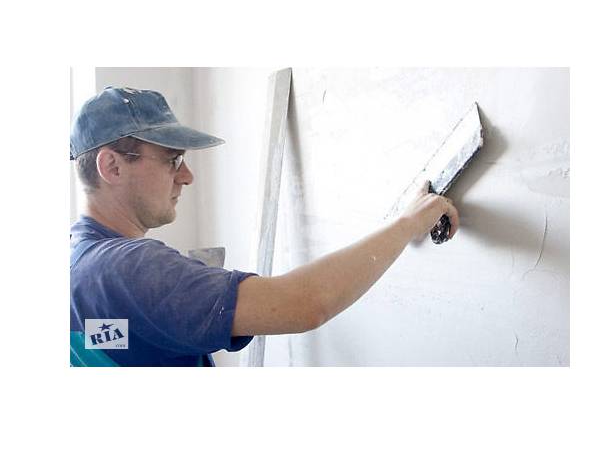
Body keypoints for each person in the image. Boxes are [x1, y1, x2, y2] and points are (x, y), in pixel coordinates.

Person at [70, 86, 459, 366]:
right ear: (112, 167)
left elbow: (117, 335)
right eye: (173, 160)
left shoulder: (80, 265)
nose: (187, 176)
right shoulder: (129, 269)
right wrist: (408, 223)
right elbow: (305, 303)